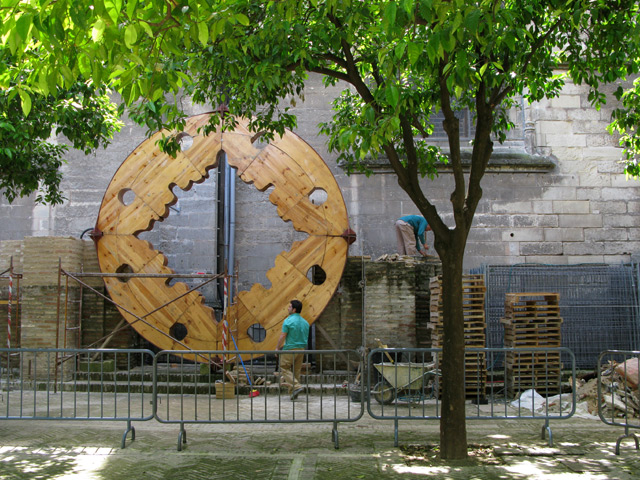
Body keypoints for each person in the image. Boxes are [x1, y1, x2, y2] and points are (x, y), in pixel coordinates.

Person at [276, 299, 310, 400]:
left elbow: (283, 335)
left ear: (294, 309)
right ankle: (293, 393)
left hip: (290, 348)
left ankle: (297, 386)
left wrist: (277, 347)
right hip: (301, 349)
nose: (288, 308)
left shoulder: (288, 321)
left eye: (289, 306)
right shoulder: (305, 322)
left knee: (284, 367)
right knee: (296, 371)